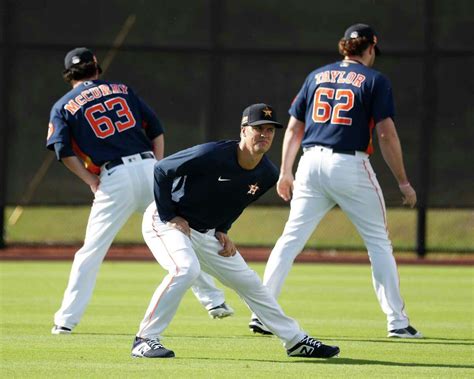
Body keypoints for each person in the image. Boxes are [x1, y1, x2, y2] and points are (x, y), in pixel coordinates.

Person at [249, 24, 423, 339]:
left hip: (310, 161)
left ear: (345, 47)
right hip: (349, 163)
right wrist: (403, 181)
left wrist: (286, 171)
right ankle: (397, 322)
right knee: (378, 243)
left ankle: (262, 314)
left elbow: (293, 128)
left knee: (290, 240)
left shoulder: (316, 76)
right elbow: (385, 133)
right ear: (370, 48)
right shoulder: (375, 80)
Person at [47, 47, 233, 335]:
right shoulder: (121, 89)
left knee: (91, 252)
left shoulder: (62, 106)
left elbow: (62, 150)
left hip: (114, 177)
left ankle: (65, 321)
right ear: (96, 66)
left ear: (68, 74)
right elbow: (156, 129)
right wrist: (158, 168)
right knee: (179, 231)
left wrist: (90, 181)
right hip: (148, 167)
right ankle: (214, 301)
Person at [131, 103, 340, 359]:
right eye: (258, 129)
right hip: (166, 221)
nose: (265, 135)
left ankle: (296, 341)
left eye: (270, 130)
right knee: (185, 269)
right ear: (243, 131)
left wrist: (222, 229)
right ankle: (144, 339)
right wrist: (169, 214)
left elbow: (236, 201)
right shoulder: (211, 153)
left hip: (206, 232)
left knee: (251, 283)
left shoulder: (267, 174)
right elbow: (162, 169)